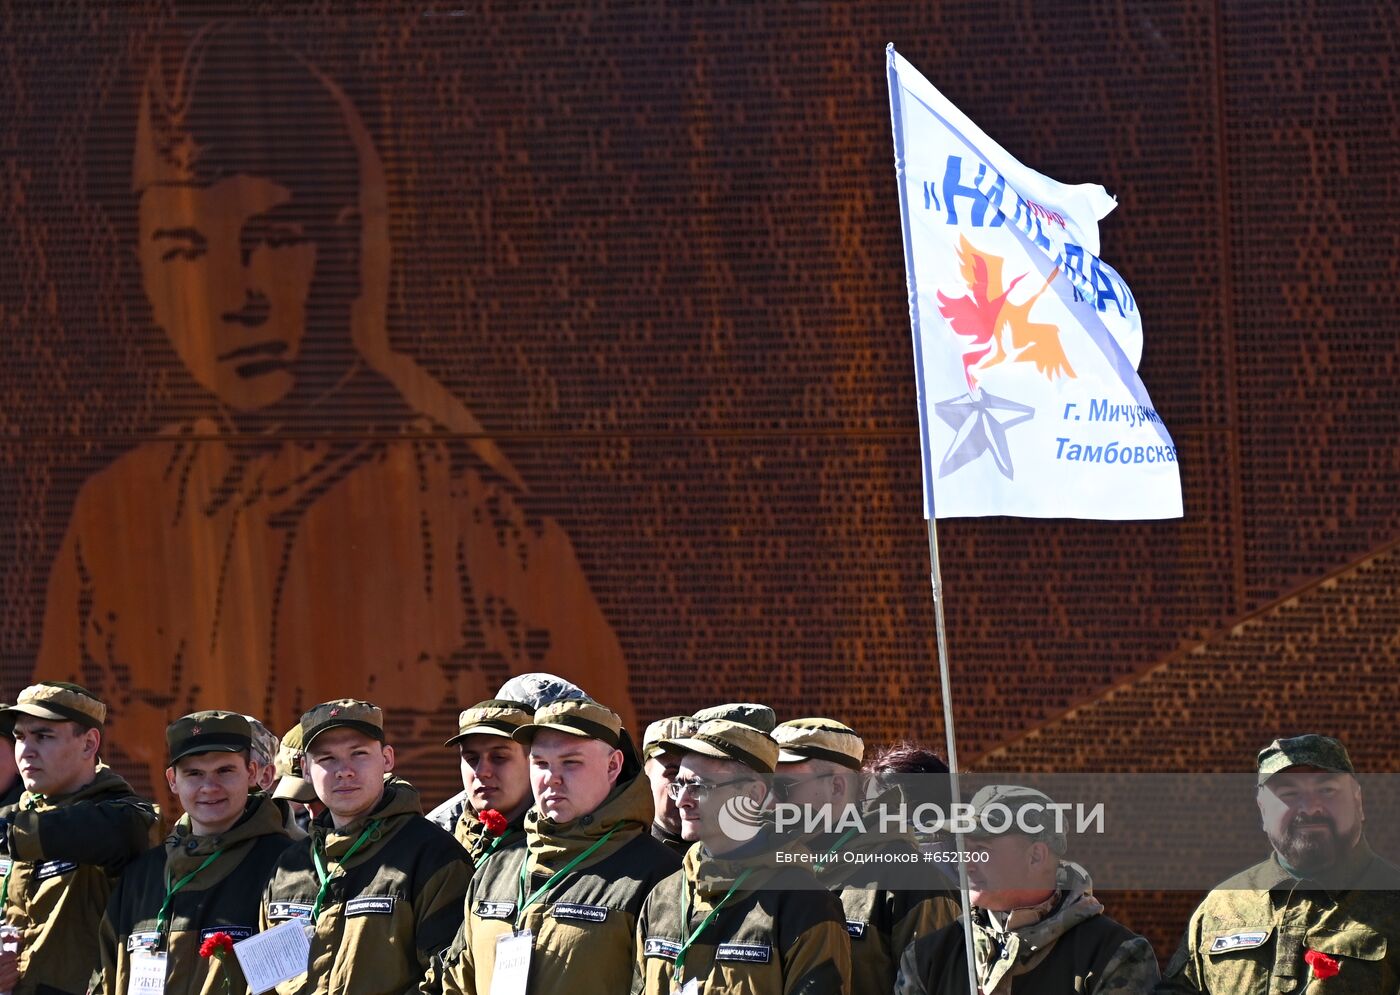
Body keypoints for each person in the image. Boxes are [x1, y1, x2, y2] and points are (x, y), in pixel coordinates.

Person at [36, 21, 633, 797]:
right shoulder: (116, 514)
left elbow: (605, 779)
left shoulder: (475, 521)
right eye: (184, 250)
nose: (234, 296)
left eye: (274, 237)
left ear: (346, 244)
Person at [438, 699, 679, 994]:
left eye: (571, 763)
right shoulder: (497, 867)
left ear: (613, 765)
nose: (551, 779)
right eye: (540, 764)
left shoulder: (659, 874)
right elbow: (456, 983)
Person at [1156, 734, 1400, 993]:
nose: (1309, 808)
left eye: (1327, 790)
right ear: (1263, 810)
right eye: (1289, 793)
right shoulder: (1221, 906)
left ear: (1357, 801)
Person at [260, 699, 471, 995]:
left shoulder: (432, 855)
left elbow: (446, 980)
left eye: (358, 754)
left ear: (387, 759)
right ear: (306, 770)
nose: (344, 771)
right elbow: (266, 982)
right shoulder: (290, 867)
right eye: (327, 759)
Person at [633, 718, 852, 994]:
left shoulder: (806, 904)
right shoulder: (664, 894)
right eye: (679, 785)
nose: (681, 800)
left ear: (753, 794)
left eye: (699, 786)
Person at [96, 711, 298, 995]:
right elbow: (108, 977)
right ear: (172, 780)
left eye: (225, 771)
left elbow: (291, 984)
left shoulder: (288, 866)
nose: (209, 787)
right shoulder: (142, 875)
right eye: (194, 773)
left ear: (251, 773)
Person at [896, 784, 1158, 995]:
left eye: (981, 851)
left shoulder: (1116, 955)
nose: (966, 863)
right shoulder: (927, 958)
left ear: (1036, 856)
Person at [774, 717, 958, 995]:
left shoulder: (910, 878)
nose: (770, 802)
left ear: (837, 787)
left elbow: (935, 984)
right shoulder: (768, 869)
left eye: (782, 788)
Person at [0, 682, 160, 995]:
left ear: (89, 744)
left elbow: (96, 830)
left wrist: (12, 833)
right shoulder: (19, 813)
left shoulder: (126, 817)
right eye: (19, 737)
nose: (27, 750)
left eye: (44, 736)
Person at [443, 700, 533, 861]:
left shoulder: (558, 847)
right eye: (471, 758)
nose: (482, 771)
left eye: (499, 757)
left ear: (534, 761)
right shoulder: (436, 843)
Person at [641, 715, 698, 856]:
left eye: (697, 775)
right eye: (674, 774)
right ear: (645, 777)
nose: (686, 790)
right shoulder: (626, 855)